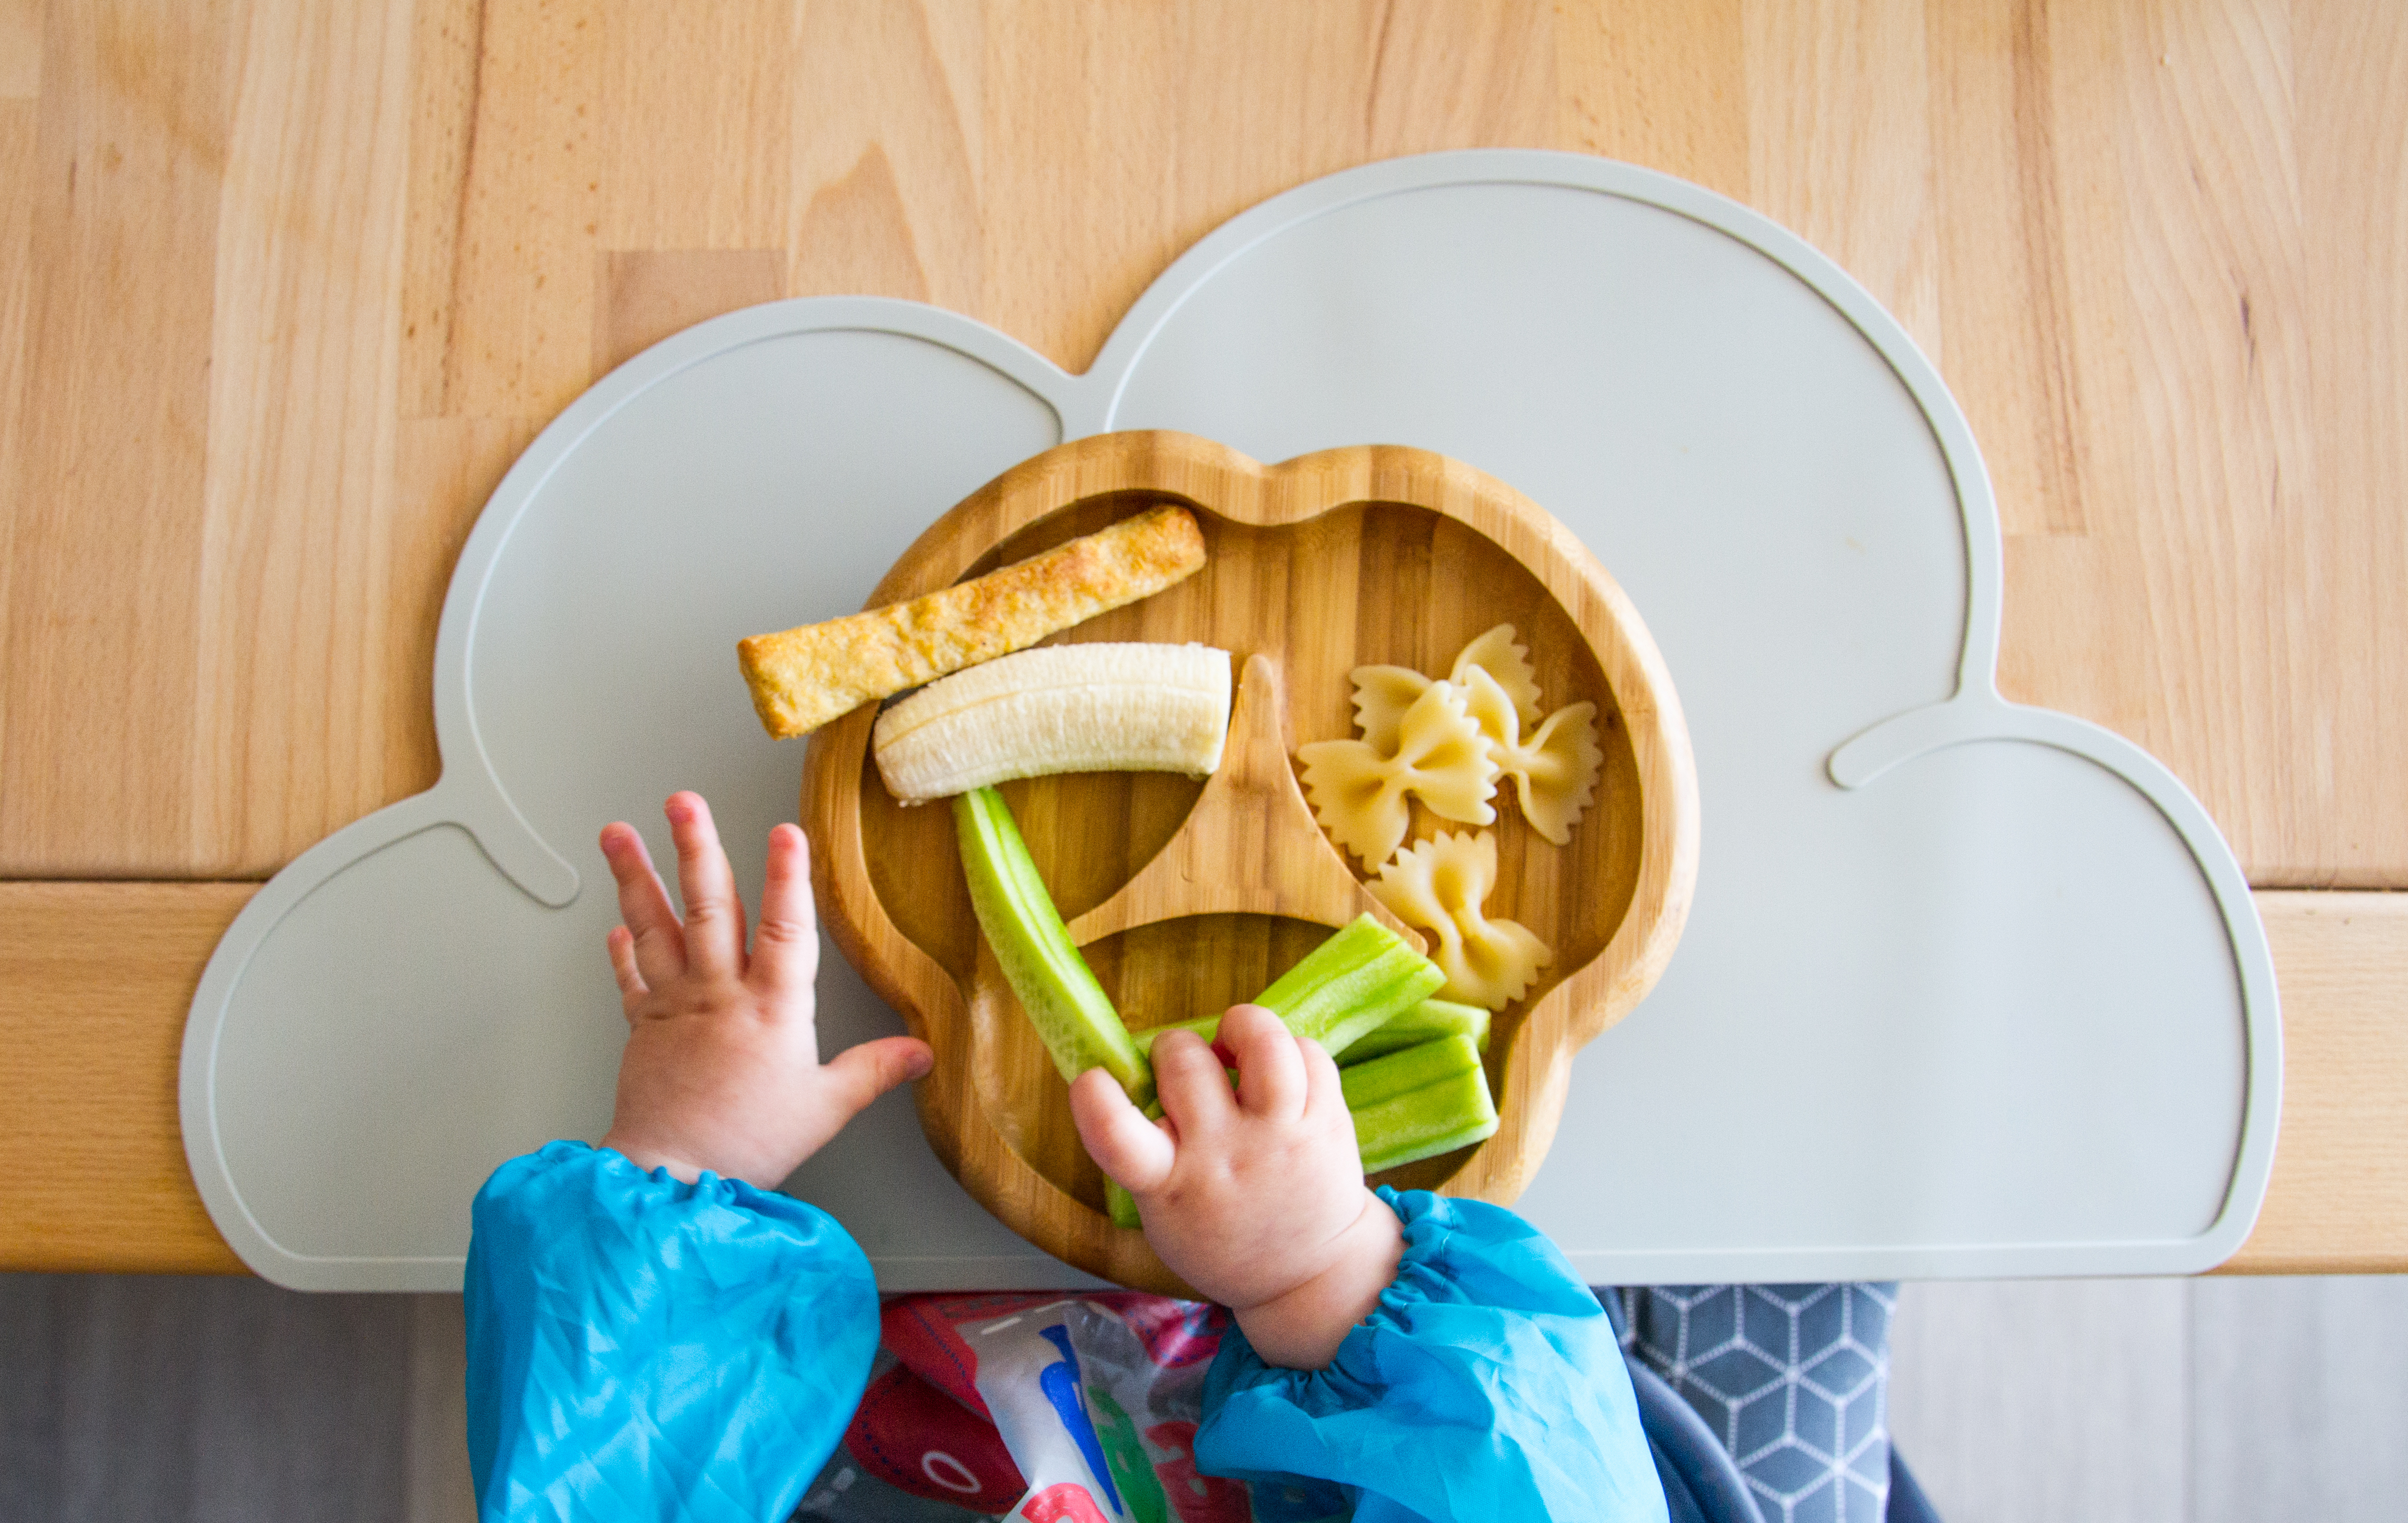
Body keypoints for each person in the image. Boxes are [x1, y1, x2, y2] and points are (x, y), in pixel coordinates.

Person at [465, 793, 1667, 1521]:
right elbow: (1530, 1482)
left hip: (814, 1396)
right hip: (1357, 1399)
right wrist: (1321, 1269)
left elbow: (599, 1476)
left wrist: (681, 1160)